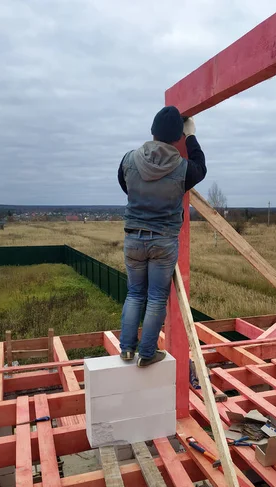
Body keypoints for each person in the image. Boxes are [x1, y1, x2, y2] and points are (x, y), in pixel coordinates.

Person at [118, 106, 207, 367]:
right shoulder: (183, 169)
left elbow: (126, 186)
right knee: (157, 296)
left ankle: (126, 350)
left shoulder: (128, 159)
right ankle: (147, 354)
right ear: (177, 137)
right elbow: (201, 167)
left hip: (133, 238)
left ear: (152, 131)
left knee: (135, 293)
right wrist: (191, 136)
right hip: (164, 240)